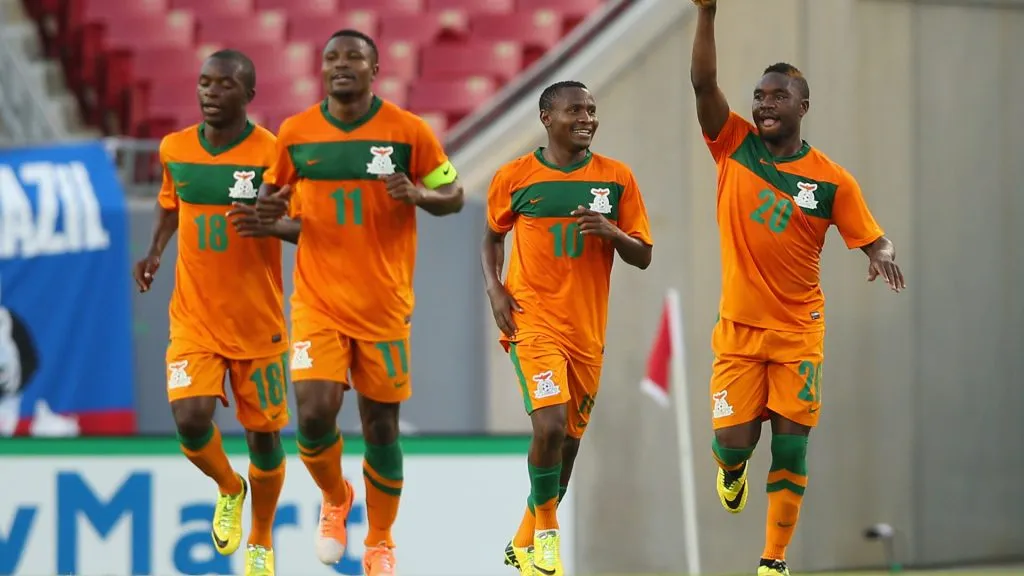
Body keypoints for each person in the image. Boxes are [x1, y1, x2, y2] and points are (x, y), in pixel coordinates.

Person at [688, 2, 907, 575]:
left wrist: (881, 253)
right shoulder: (732, 143)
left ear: (802, 107)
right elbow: (703, 81)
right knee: (734, 445)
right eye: (759, 96)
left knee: (790, 448)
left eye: (776, 96)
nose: (763, 104)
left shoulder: (831, 179)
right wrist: (707, 14)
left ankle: (773, 562)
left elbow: (871, 236)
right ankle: (730, 470)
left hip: (798, 333)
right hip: (738, 330)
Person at [254, 29, 464, 576]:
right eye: (331, 57)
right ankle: (335, 496)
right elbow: (280, 209)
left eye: (354, 57)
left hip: (383, 305)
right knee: (314, 413)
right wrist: (266, 221)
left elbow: (454, 194)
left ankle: (380, 539)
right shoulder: (295, 134)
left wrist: (420, 195)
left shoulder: (408, 131)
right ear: (320, 69)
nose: (340, 65)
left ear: (376, 70)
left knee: (380, 427)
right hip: (318, 303)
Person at [133, 49, 299, 576]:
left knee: (265, 438)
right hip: (193, 318)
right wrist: (157, 250)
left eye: (223, 85)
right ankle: (230, 486)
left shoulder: (274, 154)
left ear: (248, 95)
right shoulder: (175, 148)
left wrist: (271, 225)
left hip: (258, 322)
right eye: (203, 83)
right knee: (189, 419)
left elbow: (306, 227)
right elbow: (169, 204)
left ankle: (261, 538)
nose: (209, 92)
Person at [482, 80, 653, 576]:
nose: (587, 118)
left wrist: (613, 232)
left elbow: (643, 255)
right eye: (575, 109)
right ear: (546, 118)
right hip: (532, 321)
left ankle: (523, 540)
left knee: (569, 442)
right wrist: (495, 288)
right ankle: (550, 534)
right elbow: (492, 237)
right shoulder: (514, 177)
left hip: (587, 331)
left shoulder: (616, 178)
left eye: (592, 110)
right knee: (550, 425)